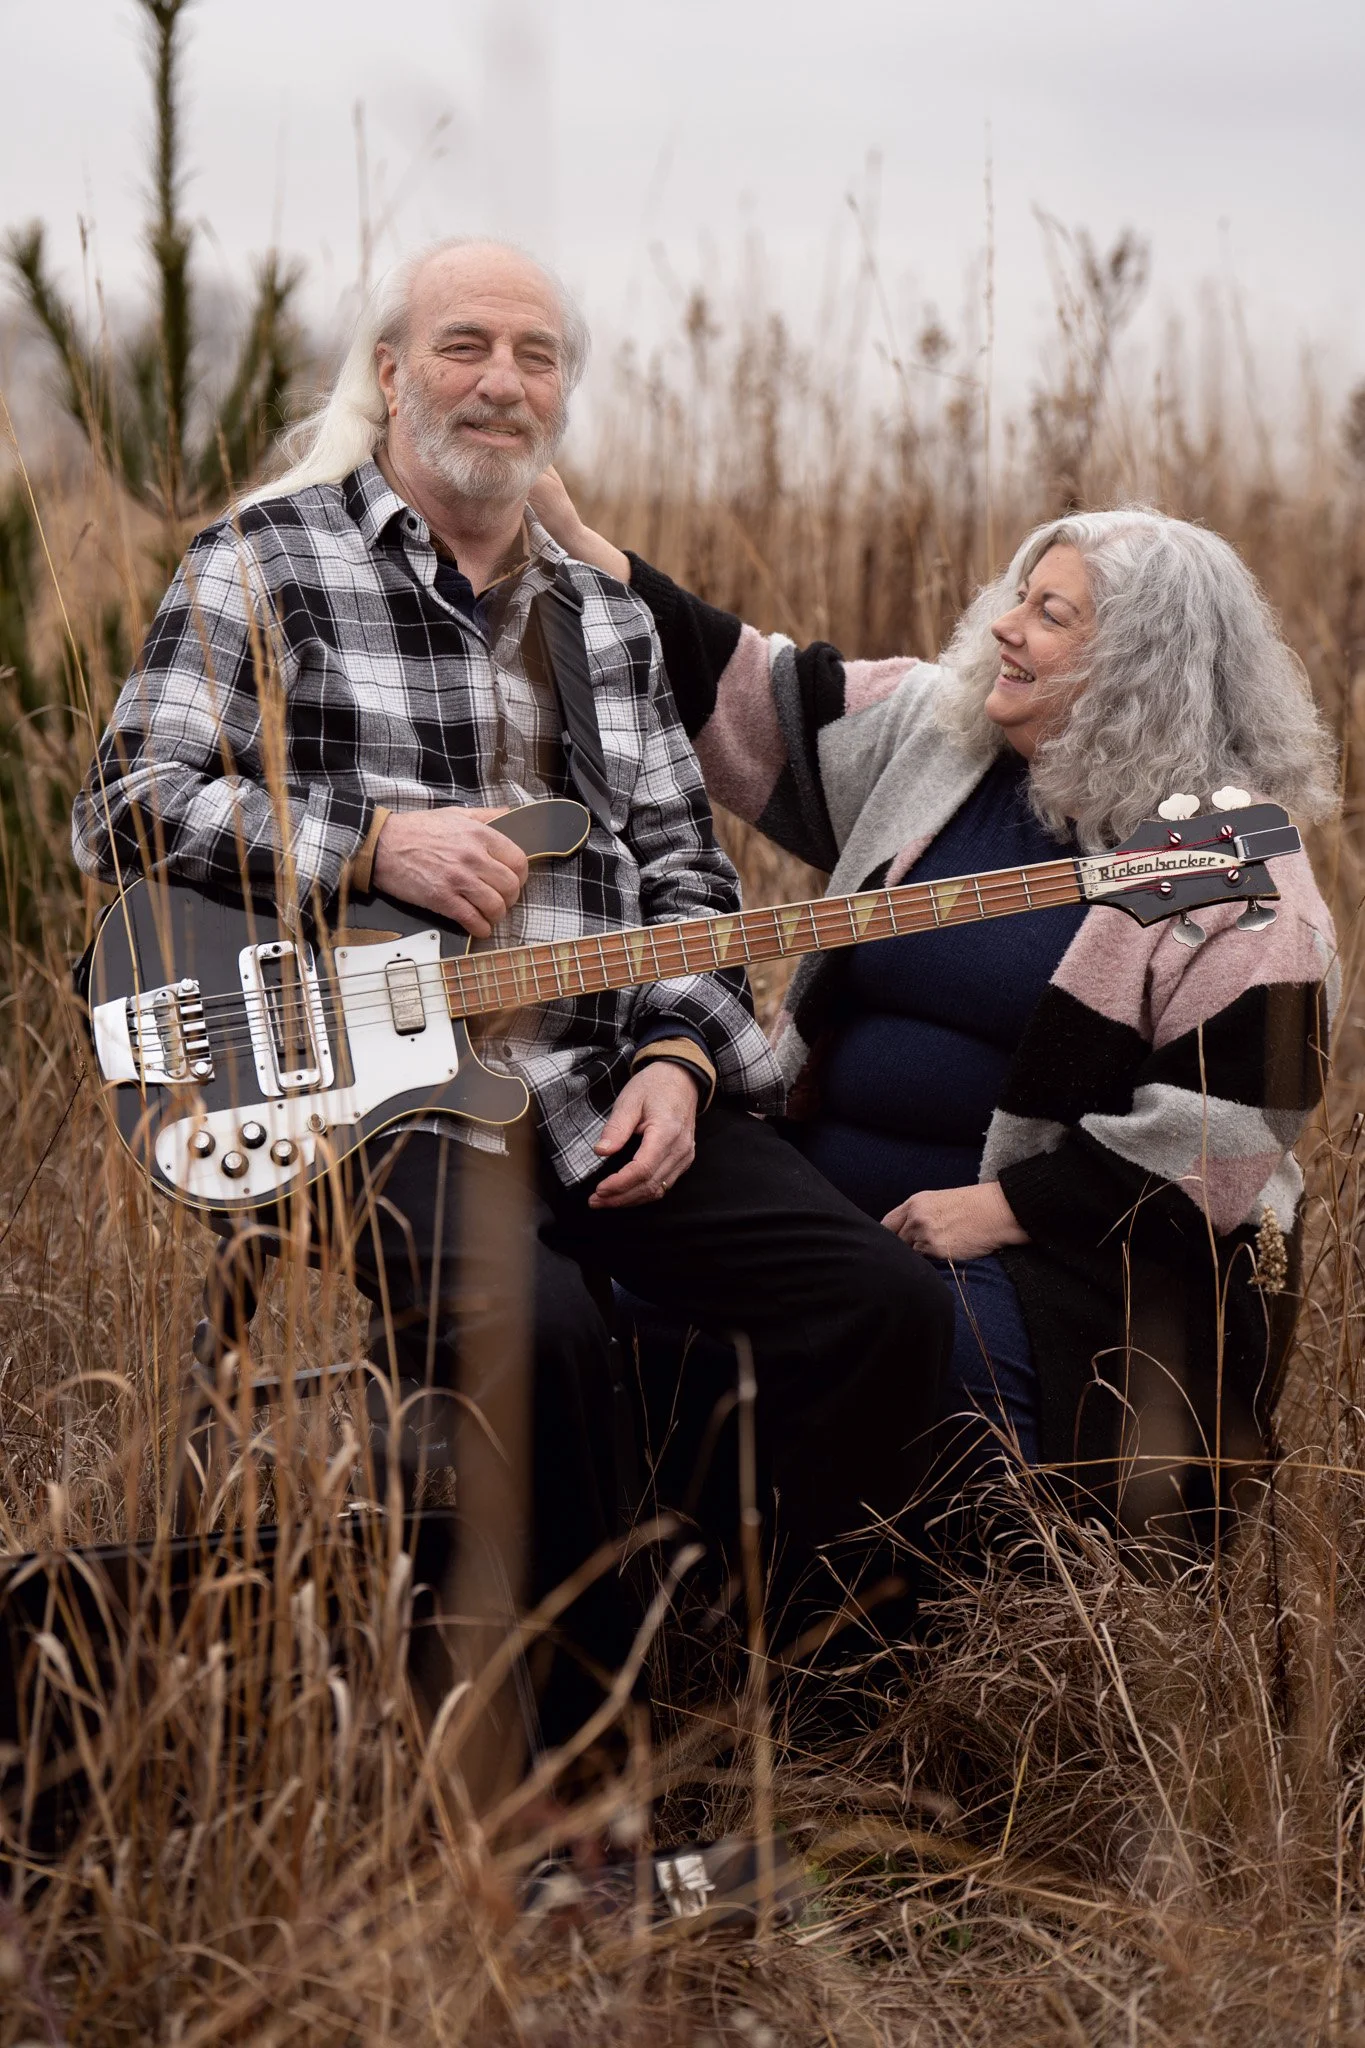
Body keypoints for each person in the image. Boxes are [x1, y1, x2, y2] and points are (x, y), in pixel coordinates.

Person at [71, 240, 954, 1744]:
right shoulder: (262, 562)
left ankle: (786, 1716)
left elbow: (689, 880)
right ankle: (566, 1771)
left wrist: (682, 1056)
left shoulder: (599, 622)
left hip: (606, 1083)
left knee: (876, 1304)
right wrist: (368, 845)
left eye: (536, 354)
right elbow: (122, 803)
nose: (501, 380)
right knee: (532, 1339)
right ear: (394, 373)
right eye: (466, 344)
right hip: (373, 1093)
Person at [529, 476, 1339, 1545]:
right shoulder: (943, 738)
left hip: (1073, 1268)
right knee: (641, 1305)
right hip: (830, 1197)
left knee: (912, 1365)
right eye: (1021, 594)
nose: (1004, 623)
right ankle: (675, 1598)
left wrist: (1006, 1209)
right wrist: (593, 553)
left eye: (1053, 614)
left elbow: (1228, 1134)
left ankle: (863, 1656)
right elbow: (760, 686)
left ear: (1144, 663)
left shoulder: (1230, 862)